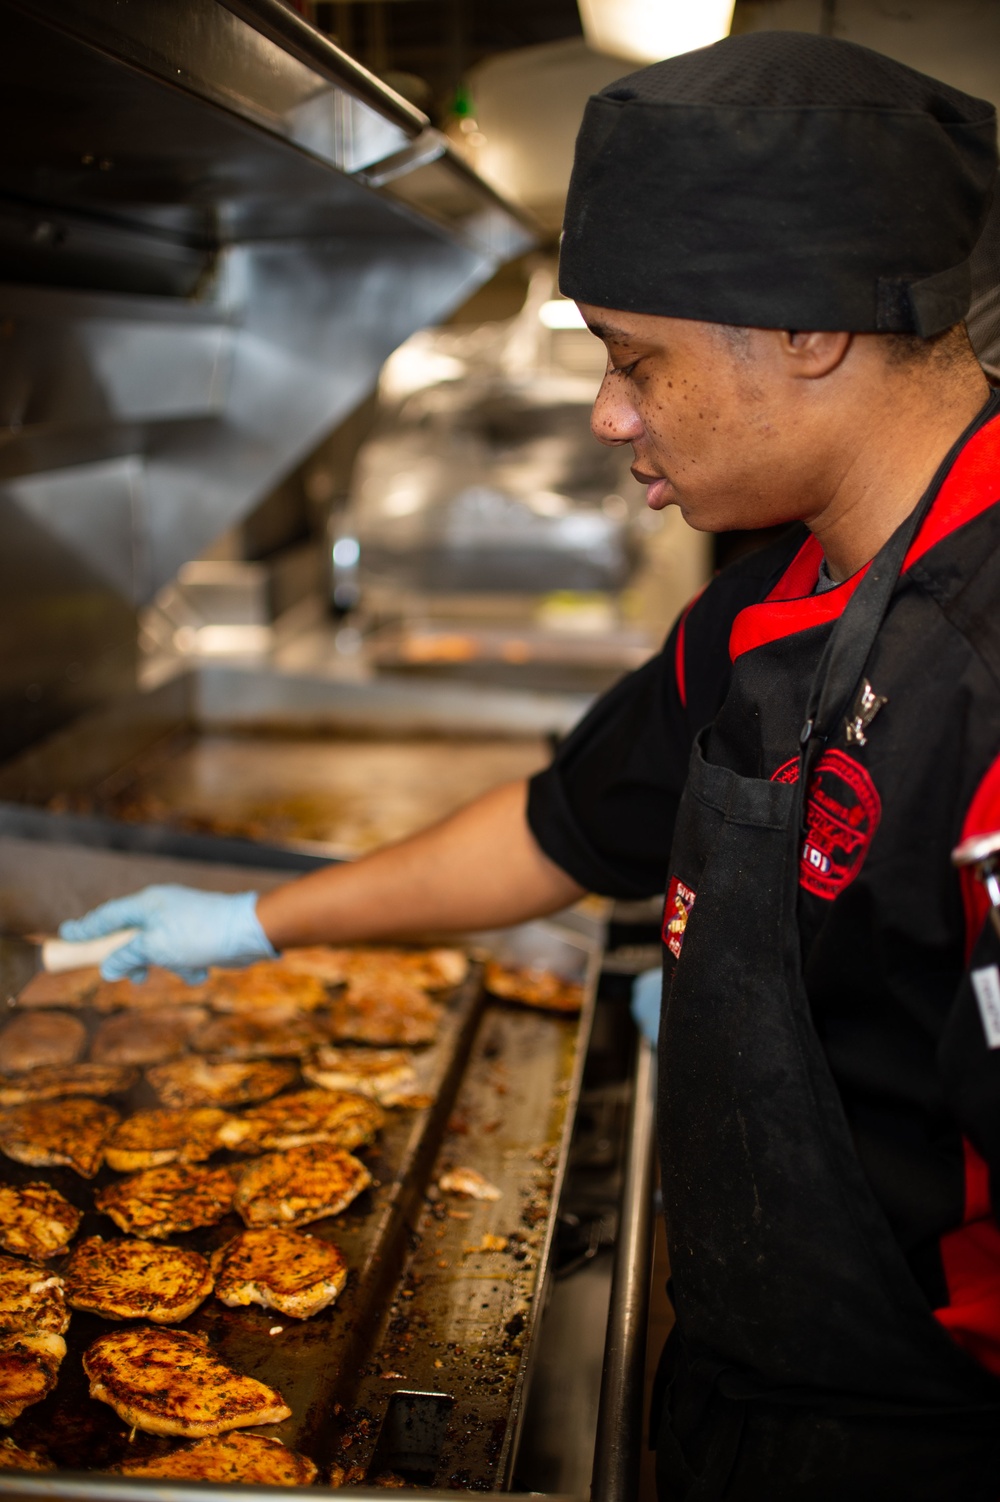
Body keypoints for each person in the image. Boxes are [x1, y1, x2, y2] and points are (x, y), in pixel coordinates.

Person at [63, 31, 1000, 1499]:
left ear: (812, 324)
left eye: (640, 361)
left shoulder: (986, 664)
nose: (608, 414)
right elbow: (567, 826)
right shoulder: (776, 595)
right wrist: (251, 921)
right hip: (753, 1395)